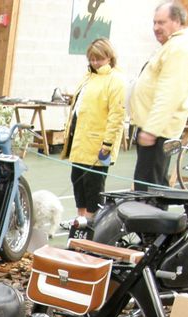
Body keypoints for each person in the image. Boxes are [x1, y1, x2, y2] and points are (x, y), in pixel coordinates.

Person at [128, 2, 188, 191]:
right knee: (151, 185)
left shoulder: (180, 48)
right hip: (155, 129)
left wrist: (152, 130)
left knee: (148, 191)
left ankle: (150, 221)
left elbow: (170, 92)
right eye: (154, 23)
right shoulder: (173, 45)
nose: (155, 28)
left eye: (161, 22)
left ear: (177, 21)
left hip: (159, 133)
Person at [62, 37, 126, 218]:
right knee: (78, 185)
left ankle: (93, 230)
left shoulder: (116, 80)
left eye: (99, 58)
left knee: (94, 191)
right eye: (91, 59)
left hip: (98, 147)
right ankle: (80, 223)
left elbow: (116, 116)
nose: (95, 62)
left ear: (109, 57)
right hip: (80, 144)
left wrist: (107, 145)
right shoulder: (88, 77)